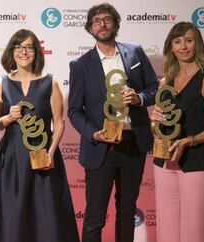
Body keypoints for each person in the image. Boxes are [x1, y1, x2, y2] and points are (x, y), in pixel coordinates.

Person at [67, 3, 159, 242]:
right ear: (90, 28)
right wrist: (94, 134)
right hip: (101, 147)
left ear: (116, 23)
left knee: (127, 212)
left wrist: (139, 98)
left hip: (133, 143)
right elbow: (75, 111)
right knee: (95, 216)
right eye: (96, 21)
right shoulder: (80, 65)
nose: (102, 24)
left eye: (107, 19)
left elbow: (154, 88)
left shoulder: (135, 52)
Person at [0, 29, 79, 242]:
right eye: (18, 47)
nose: (23, 52)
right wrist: (8, 119)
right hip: (11, 161)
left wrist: (50, 152)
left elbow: (59, 123)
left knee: (47, 219)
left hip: (44, 160)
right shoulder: (2, 84)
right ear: (11, 52)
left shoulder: (51, 82)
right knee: (12, 219)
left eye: (29, 47)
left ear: (36, 51)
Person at [150, 22, 204, 242]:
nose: (184, 46)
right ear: (171, 47)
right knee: (167, 234)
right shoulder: (165, 82)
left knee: (194, 234)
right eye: (178, 41)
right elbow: (161, 128)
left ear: (197, 44)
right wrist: (155, 123)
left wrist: (191, 140)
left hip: (197, 162)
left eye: (189, 40)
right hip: (164, 162)